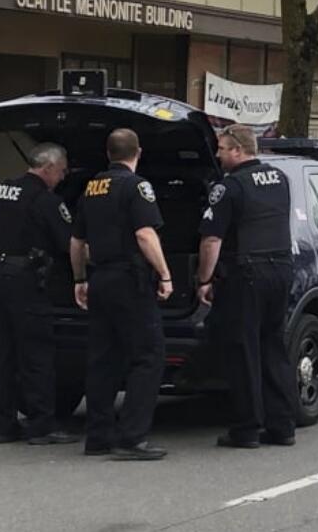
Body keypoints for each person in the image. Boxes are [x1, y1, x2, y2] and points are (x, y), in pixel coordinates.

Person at [71, 128, 173, 461]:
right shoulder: (136, 186)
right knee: (148, 356)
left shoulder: (91, 187)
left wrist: (80, 279)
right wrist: (165, 274)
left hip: (100, 279)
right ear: (137, 152)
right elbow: (145, 234)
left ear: (107, 152)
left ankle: (98, 436)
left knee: (102, 359)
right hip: (130, 281)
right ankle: (132, 438)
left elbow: (77, 242)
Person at [196, 125, 298, 449]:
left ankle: (246, 428)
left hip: (247, 276)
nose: (218, 155)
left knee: (243, 352)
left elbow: (212, 239)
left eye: (223, 149)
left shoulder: (229, 187)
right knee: (273, 348)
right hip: (281, 271)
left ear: (238, 150)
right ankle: (282, 426)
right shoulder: (280, 180)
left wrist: (204, 280)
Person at [0, 143, 79, 445]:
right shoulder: (45, 200)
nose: (62, 178)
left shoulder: (3, 189)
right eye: (61, 172)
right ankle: (41, 426)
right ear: (48, 168)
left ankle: (3, 426)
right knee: (37, 354)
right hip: (23, 282)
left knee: (2, 355)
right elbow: (68, 242)